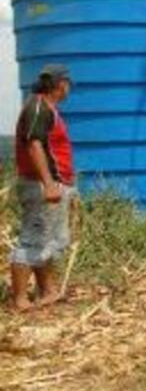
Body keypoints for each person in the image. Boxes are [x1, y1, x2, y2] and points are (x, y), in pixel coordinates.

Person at [9, 64, 77, 312]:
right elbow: (34, 144)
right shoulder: (38, 107)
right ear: (60, 85)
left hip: (52, 184)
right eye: (67, 83)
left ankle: (47, 291)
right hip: (40, 185)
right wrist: (48, 183)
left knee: (47, 239)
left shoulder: (46, 108)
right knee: (32, 239)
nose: (69, 88)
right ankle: (19, 300)